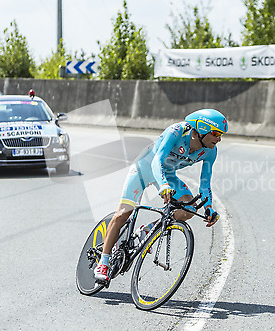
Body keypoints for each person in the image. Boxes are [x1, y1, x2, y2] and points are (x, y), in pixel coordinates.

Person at [94, 109, 228, 284]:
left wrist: (209, 207)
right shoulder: (177, 131)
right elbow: (157, 160)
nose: (219, 139)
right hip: (145, 168)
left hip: (169, 174)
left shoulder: (210, 151)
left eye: (221, 135)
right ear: (201, 128)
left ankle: (147, 230)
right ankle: (103, 262)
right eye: (216, 133)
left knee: (189, 209)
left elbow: (205, 184)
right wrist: (163, 185)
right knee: (123, 214)